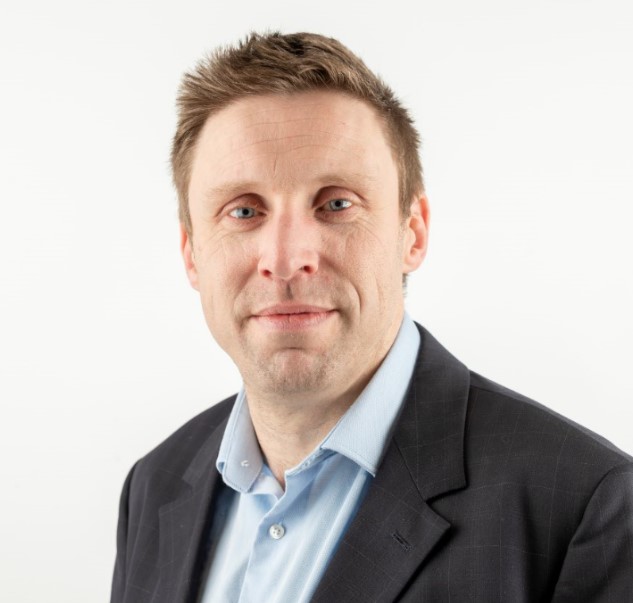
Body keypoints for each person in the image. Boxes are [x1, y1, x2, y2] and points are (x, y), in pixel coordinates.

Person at [110, 32, 633, 603]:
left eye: (336, 204)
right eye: (243, 211)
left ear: (413, 232)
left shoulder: (587, 507)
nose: (286, 259)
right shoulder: (154, 487)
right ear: (191, 253)